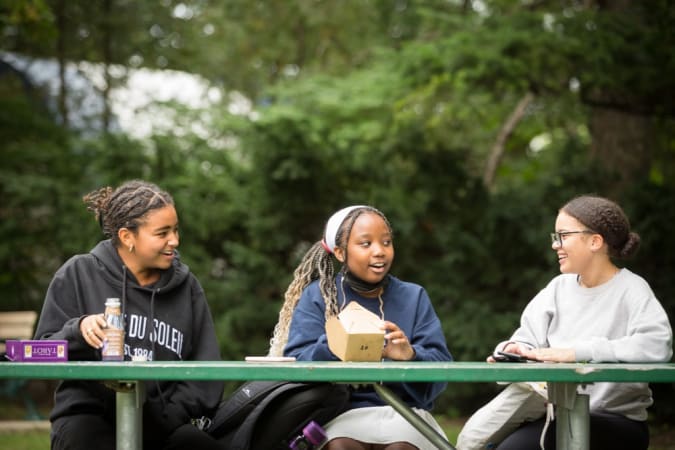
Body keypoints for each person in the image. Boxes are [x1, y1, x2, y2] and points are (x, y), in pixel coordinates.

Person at [461, 195, 673, 450]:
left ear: (595, 241)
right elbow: (528, 336)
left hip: (616, 422)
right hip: (555, 413)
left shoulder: (632, 289)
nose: (555, 245)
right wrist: (516, 348)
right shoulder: (557, 288)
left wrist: (575, 353)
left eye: (563, 235)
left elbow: (657, 345)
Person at [33, 180, 226, 450]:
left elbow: (207, 372)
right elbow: (40, 352)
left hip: (163, 423)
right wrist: (77, 331)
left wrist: (167, 417)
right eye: (162, 233)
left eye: (175, 230)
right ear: (127, 237)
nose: (175, 241)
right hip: (87, 419)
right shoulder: (78, 273)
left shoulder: (188, 286)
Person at [268, 205, 453, 450]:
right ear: (340, 253)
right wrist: (336, 343)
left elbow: (441, 372)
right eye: (366, 244)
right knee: (341, 446)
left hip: (405, 415)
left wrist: (410, 356)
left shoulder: (414, 296)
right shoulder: (318, 296)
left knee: (401, 448)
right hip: (342, 414)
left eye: (386, 242)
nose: (379, 251)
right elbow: (297, 366)